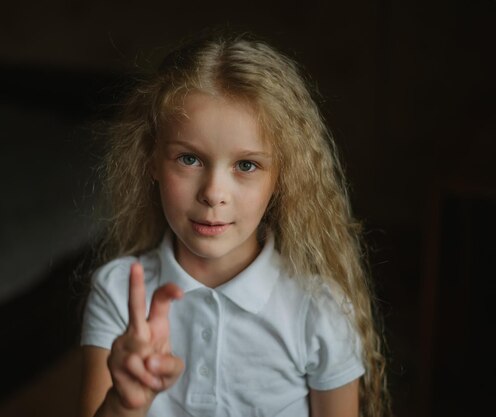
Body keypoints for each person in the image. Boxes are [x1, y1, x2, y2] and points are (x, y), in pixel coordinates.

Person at [78, 31, 390, 417]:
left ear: (282, 179)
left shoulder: (318, 311)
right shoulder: (118, 292)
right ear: (151, 161)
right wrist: (125, 403)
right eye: (189, 159)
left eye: (246, 165)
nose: (213, 193)